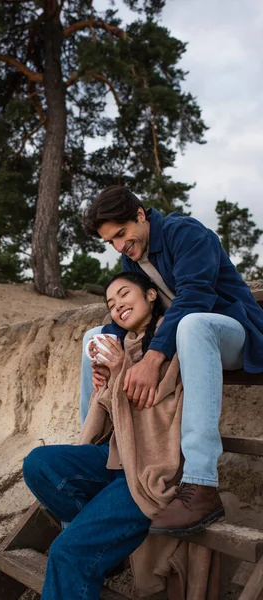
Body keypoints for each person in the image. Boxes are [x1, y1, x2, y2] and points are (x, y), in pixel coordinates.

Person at [80, 185, 263, 536]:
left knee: (192, 324)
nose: (120, 247)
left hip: (231, 332)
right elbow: (136, 307)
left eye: (121, 234)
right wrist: (105, 353)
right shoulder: (132, 255)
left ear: (140, 215)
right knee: (95, 338)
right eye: (110, 243)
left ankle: (201, 484)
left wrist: (152, 357)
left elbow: (195, 297)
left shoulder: (186, 233)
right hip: (181, 343)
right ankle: (98, 453)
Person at [23, 273, 179, 600]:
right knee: (38, 463)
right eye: (110, 303)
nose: (118, 304)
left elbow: (153, 418)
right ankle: (100, 533)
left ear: (151, 294)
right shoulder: (122, 343)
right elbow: (110, 418)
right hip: (115, 458)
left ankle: (92, 540)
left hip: (147, 470)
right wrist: (104, 384)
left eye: (124, 294)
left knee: (67, 551)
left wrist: (121, 371)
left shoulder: (169, 345)